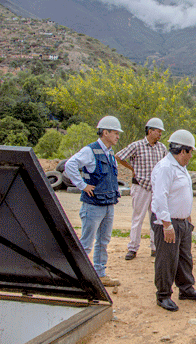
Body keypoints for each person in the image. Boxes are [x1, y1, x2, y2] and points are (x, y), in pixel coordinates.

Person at [151, 129, 196, 312]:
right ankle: (163, 295)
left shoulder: (180, 167)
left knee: (184, 257)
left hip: (182, 221)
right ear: (183, 151)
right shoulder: (166, 168)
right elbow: (160, 197)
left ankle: (186, 289)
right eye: (190, 152)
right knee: (167, 259)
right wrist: (166, 224)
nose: (191, 156)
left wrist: (187, 215)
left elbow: (181, 193)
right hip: (168, 222)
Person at [64, 115, 123, 287]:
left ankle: (100, 273)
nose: (118, 136)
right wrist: (82, 185)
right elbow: (70, 165)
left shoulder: (110, 153)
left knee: (103, 241)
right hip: (93, 205)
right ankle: (77, 275)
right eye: (115, 132)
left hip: (107, 204)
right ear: (105, 132)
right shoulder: (90, 150)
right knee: (87, 242)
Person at [115, 118, 168, 260]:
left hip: (156, 188)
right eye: (158, 131)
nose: (160, 134)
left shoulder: (162, 148)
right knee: (137, 218)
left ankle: (155, 247)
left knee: (156, 218)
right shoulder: (137, 146)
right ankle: (133, 248)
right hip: (140, 186)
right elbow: (119, 156)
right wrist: (132, 169)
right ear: (150, 131)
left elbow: (166, 164)